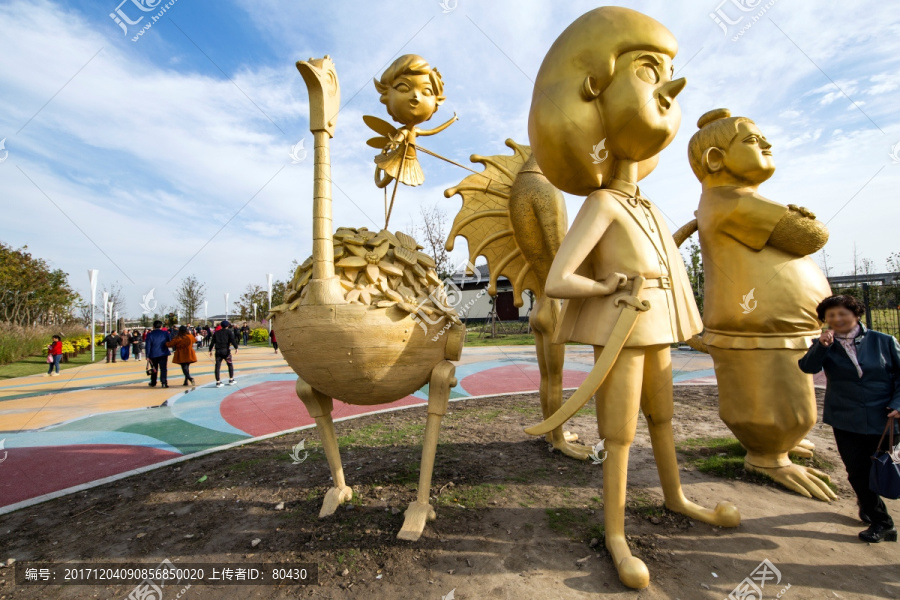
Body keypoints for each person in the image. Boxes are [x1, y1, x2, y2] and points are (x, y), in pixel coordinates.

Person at [799, 295, 900, 543]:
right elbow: (807, 368)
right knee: (857, 471)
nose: (837, 319)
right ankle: (882, 522)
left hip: (885, 417)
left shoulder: (883, 341)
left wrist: (899, 404)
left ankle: (869, 503)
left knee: (889, 468)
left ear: (855, 314)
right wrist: (821, 346)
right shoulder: (825, 344)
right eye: (831, 315)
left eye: (842, 313)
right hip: (846, 419)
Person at [209, 319, 238, 387]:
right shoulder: (229, 332)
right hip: (226, 351)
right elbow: (232, 340)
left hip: (218, 351)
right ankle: (231, 379)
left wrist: (210, 350)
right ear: (227, 326)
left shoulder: (216, 333)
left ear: (221, 326)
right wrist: (236, 347)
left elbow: (212, 342)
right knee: (229, 364)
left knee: (217, 366)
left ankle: (218, 382)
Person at [144, 320, 172, 388]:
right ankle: (164, 382)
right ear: (161, 326)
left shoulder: (150, 334)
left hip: (153, 354)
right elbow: (170, 342)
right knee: (163, 368)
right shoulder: (165, 333)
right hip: (163, 353)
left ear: (153, 326)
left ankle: (153, 382)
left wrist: (147, 355)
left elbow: (147, 346)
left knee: (154, 369)